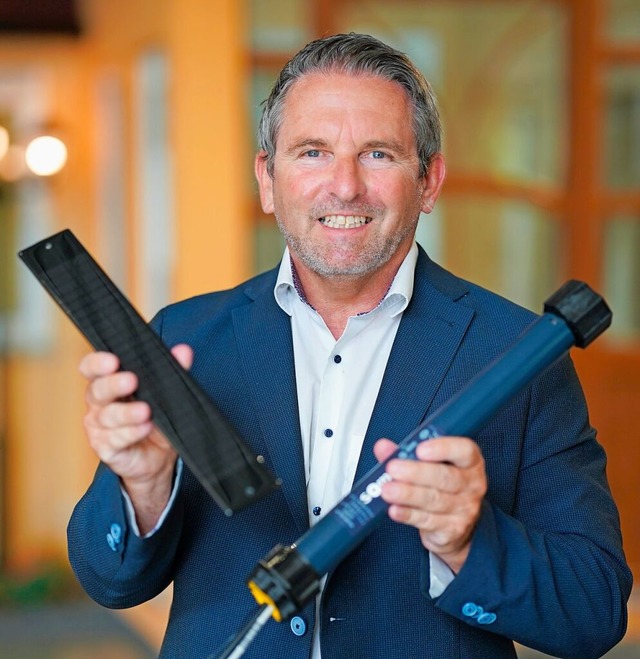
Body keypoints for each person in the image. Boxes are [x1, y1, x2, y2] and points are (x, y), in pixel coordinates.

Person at [68, 33, 632, 658]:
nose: (344, 185)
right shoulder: (185, 338)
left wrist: (470, 541)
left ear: (429, 182)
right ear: (267, 179)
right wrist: (143, 486)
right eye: (312, 152)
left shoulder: (521, 354)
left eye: (378, 154)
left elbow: (594, 608)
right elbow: (108, 580)